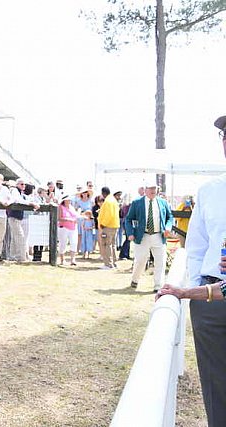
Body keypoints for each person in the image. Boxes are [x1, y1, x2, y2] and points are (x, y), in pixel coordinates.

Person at [155, 114, 226, 427]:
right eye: (225, 136)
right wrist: (196, 291)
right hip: (210, 301)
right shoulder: (210, 192)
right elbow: (196, 249)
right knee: (217, 388)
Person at [124, 182, 173, 292]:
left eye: (154, 188)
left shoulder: (163, 202)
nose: (153, 190)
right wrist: (130, 233)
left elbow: (170, 217)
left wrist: (168, 227)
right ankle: (135, 280)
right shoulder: (137, 203)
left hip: (158, 235)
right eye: (150, 188)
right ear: (145, 190)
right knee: (140, 260)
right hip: (143, 236)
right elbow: (128, 219)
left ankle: (158, 285)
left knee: (160, 261)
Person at [97, 186, 120, 269]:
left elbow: (109, 214)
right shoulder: (113, 200)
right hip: (114, 225)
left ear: (103, 193)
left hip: (108, 226)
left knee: (106, 244)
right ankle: (114, 262)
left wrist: (103, 223)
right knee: (113, 245)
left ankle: (108, 264)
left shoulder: (108, 201)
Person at [57, 194, 79, 266]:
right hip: (64, 227)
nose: (69, 201)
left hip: (73, 227)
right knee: (63, 243)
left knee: (74, 243)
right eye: (67, 199)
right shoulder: (60, 207)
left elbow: (76, 216)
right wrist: (68, 219)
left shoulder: (72, 207)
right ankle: (62, 260)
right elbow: (59, 218)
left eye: (69, 200)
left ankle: (73, 260)